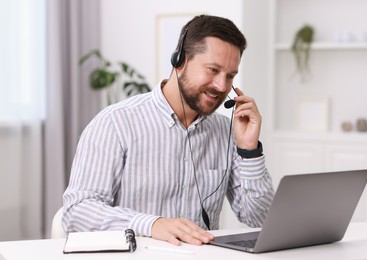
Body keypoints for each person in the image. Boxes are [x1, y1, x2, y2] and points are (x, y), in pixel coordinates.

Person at [62, 14, 275, 246]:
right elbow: (77, 212)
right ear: (180, 60)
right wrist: (152, 224)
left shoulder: (227, 132)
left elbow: (261, 219)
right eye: (213, 70)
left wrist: (249, 151)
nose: (221, 86)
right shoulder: (115, 123)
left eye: (230, 76)